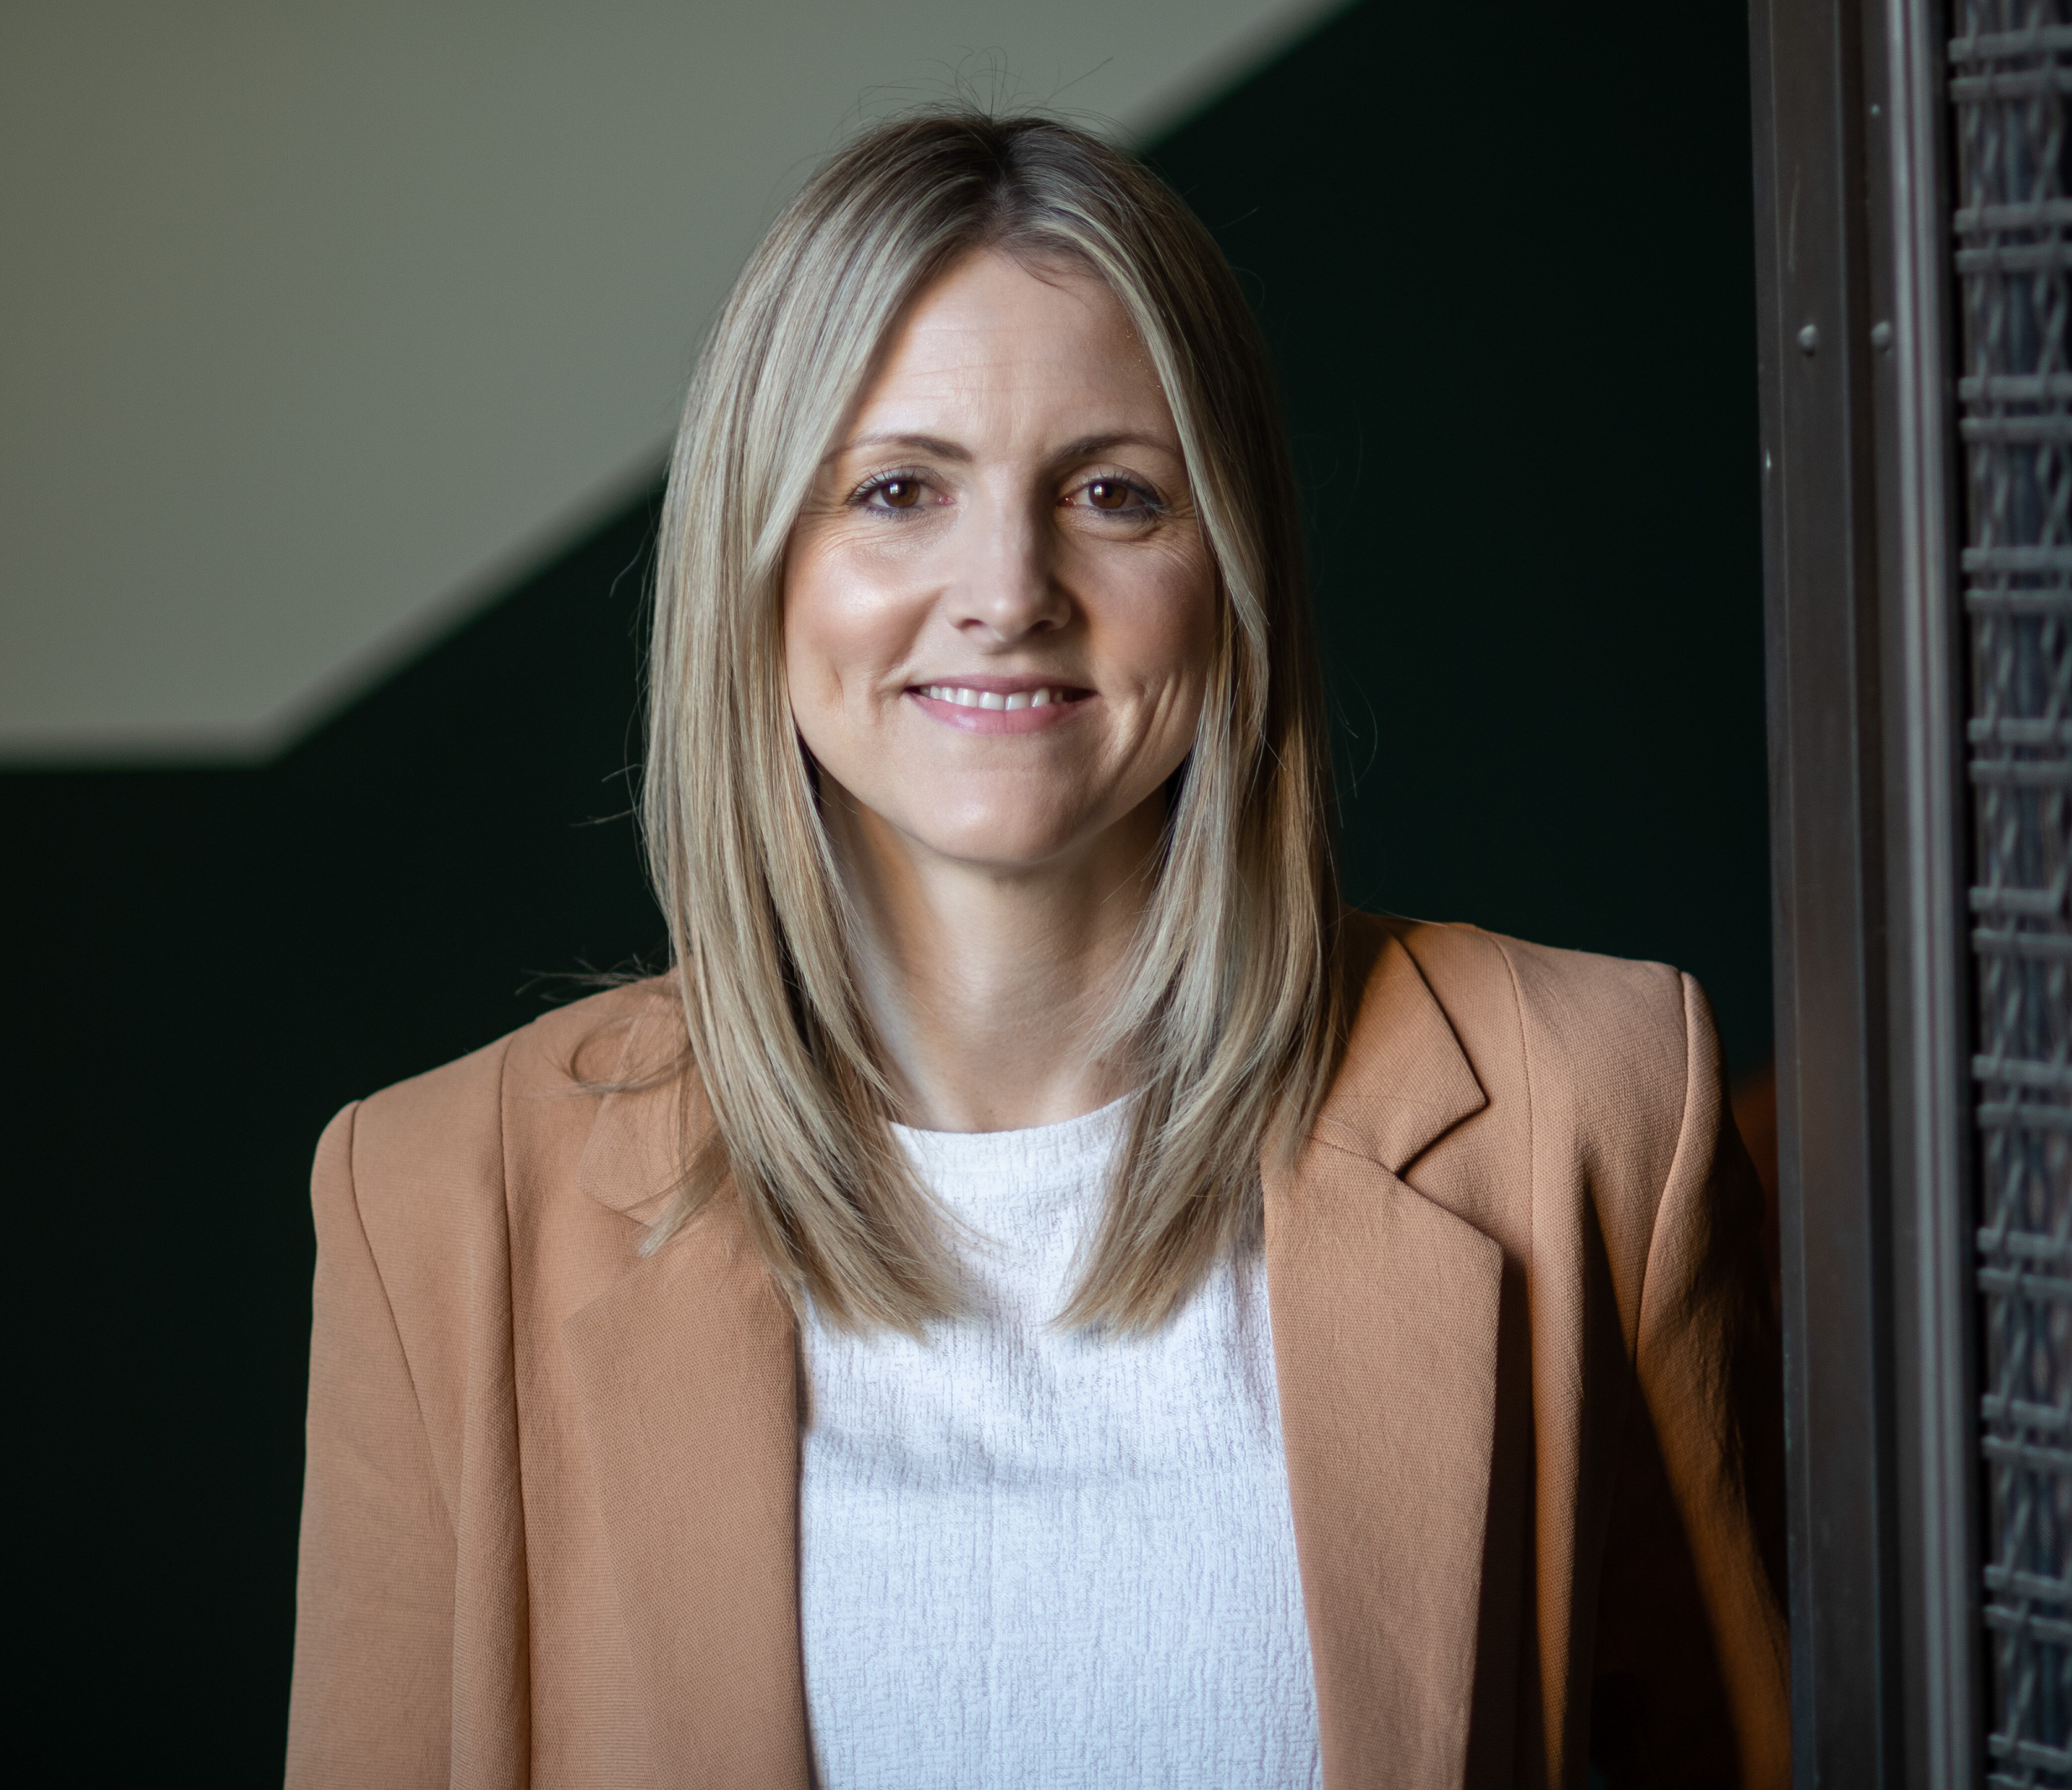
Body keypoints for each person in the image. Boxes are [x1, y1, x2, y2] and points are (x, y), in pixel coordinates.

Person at [284, 111, 1787, 1789]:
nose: (1008, 589)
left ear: (1233, 567)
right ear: (757, 565)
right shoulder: (431, 1197)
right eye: (898, 490)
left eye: (1111, 493)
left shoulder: (1588, 1100)